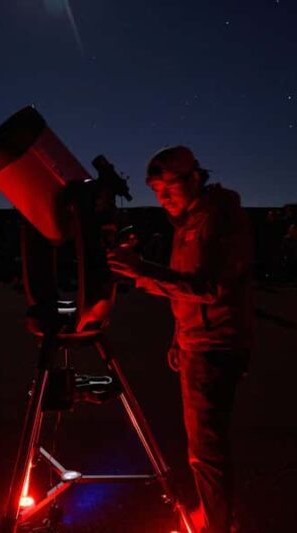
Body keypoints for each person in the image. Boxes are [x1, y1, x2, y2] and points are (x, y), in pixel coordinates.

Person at [107, 146, 253, 533]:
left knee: (205, 448)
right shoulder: (188, 221)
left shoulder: (218, 218)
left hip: (216, 343)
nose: (163, 198)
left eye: (169, 187)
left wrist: (142, 270)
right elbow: (185, 289)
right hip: (196, 339)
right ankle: (215, 512)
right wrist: (178, 334)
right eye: (156, 191)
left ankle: (217, 525)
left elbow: (210, 287)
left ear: (194, 177)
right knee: (202, 444)